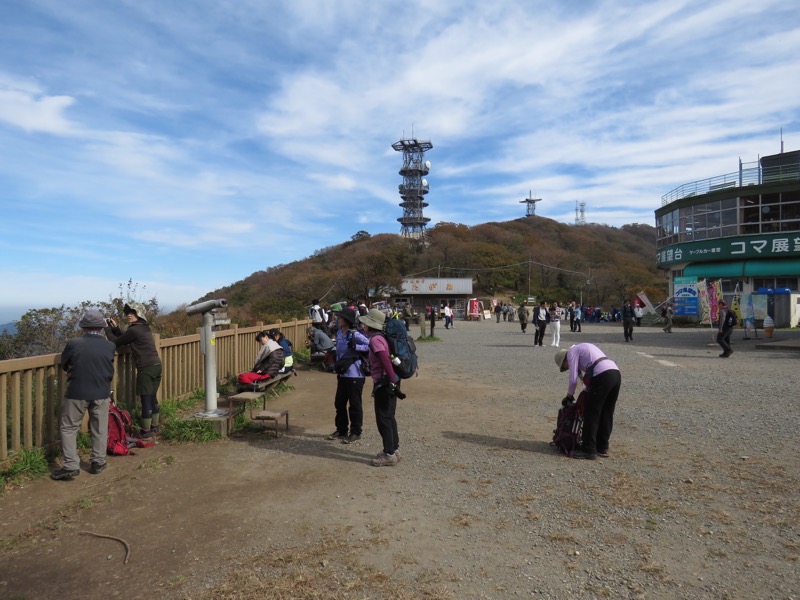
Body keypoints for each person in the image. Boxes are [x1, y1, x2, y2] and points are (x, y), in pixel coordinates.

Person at [52, 309, 117, 480]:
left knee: (69, 427)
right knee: (99, 427)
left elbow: (65, 363)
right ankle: (98, 461)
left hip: (77, 391)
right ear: (101, 328)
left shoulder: (74, 343)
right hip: (102, 391)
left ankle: (71, 465)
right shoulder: (110, 345)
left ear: (84, 327)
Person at [555, 343, 621, 460]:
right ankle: (602, 447)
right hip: (615, 373)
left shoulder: (572, 352)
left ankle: (588, 450)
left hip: (602, 375)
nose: (567, 368)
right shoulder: (582, 348)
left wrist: (569, 396)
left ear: (565, 358)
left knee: (591, 413)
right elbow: (587, 379)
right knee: (606, 412)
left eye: (565, 366)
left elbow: (573, 379)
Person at [106, 302, 162, 438]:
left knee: (146, 399)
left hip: (146, 367)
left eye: (133, 313)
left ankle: (145, 431)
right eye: (128, 313)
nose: (129, 315)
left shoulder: (135, 330)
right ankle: (155, 426)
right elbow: (125, 338)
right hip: (156, 365)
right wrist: (116, 328)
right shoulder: (144, 328)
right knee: (152, 397)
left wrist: (107, 329)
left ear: (139, 314)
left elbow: (115, 342)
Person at [358, 308, 401, 467]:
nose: (363, 326)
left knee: (383, 418)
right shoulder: (381, 337)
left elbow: (384, 359)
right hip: (389, 380)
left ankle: (389, 453)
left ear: (370, 325)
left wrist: (390, 379)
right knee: (389, 416)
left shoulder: (375, 340)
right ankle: (394, 450)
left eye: (365, 324)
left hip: (384, 382)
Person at [327, 307, 370, 443]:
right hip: (343, 373)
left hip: (355, 374)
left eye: (340, 317)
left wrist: (356, 347)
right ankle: (341, 429)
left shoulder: (355, 334)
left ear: (347, 320)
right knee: (339, 403)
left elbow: (370, 345)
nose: (337, 319)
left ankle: (356, 431)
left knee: (354, 404)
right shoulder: (339, 333)